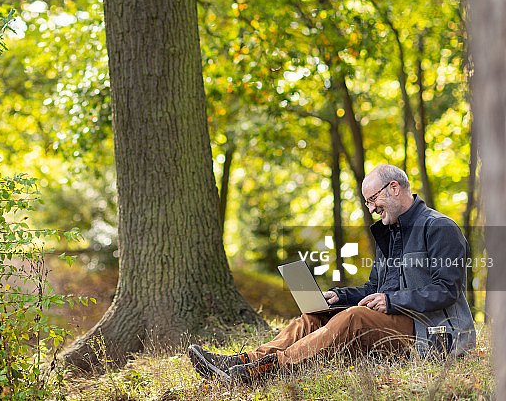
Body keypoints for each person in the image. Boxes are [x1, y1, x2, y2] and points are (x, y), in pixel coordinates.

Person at [188, 163, 476, 386]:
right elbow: (374, 287)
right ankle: (242, 362)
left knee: (354, 318)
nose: (371, 208)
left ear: (394, 188)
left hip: (434, 333)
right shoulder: (391, 234)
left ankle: (267, 370)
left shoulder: (439, 227)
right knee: (315, 317)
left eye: (373, 199)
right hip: (396, 322)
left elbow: (447, 289)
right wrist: (339, 295)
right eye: (367, 202)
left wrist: (391, 302)